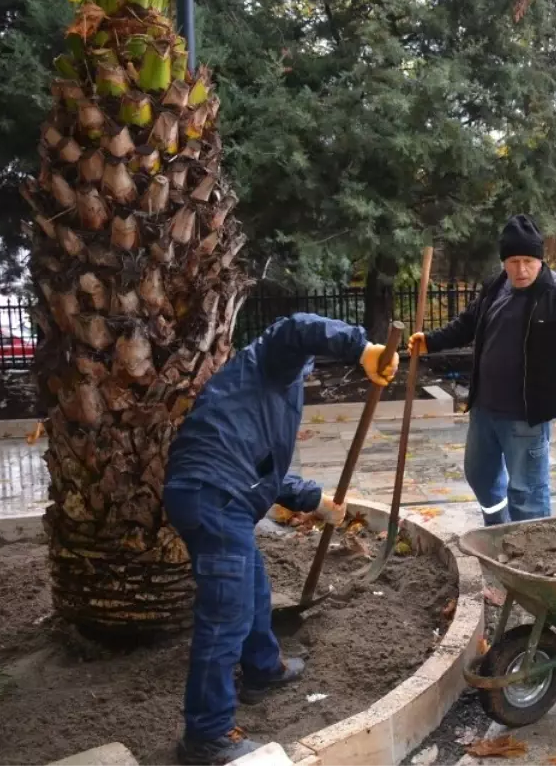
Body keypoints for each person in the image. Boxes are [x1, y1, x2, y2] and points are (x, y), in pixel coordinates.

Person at [162, 313, 401, 765]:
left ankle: (262, 669)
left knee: (252, 586)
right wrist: (362, 348)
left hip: (213, 492)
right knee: (225, 615)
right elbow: (295, 327)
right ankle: (206, 735)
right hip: (213, 495)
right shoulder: (271, 360)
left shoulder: (256, 394)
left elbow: (265, 469)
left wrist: (316, 500)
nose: (307, 371)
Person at [410, 214, 556, 525]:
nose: (520, 270)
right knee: (480, 477)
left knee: (528, 493)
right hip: (484, 411)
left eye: (527, 260)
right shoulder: (495, 287)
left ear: (540, 259)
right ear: (503, 263)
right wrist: (429, 342)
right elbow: (466, 325)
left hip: (525, 416)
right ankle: (498, 530)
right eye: (513, 261)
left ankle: (538, 557)